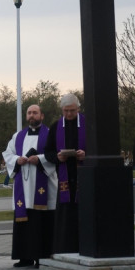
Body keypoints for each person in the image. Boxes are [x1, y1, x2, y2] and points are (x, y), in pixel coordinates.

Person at [3, 105, 57, 268]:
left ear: (42, 115)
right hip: (23, 187)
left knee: (41, 223)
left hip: (43, 187)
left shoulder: (50, 134)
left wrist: (39, 159)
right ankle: (25, 257)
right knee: (24, 222)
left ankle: (42, 257)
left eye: (35, 113)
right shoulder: (18, 136)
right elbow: (8, 154)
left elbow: (55, 154)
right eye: (29, 113)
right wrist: (17, 160)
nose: (32, 115)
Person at [44, 93, 86, 255]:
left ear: (78, 109)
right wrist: (57, 157)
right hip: (64, 178)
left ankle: (85, 246)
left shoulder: (87, 124)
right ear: (61, 109)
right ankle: (65, 249)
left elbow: (98, 148)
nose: (69, 114)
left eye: (72, 110)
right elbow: (48, 152)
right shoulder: (56, 127)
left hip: (84, 177)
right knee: (65, 216)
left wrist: (86, 154)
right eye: (66, 111)